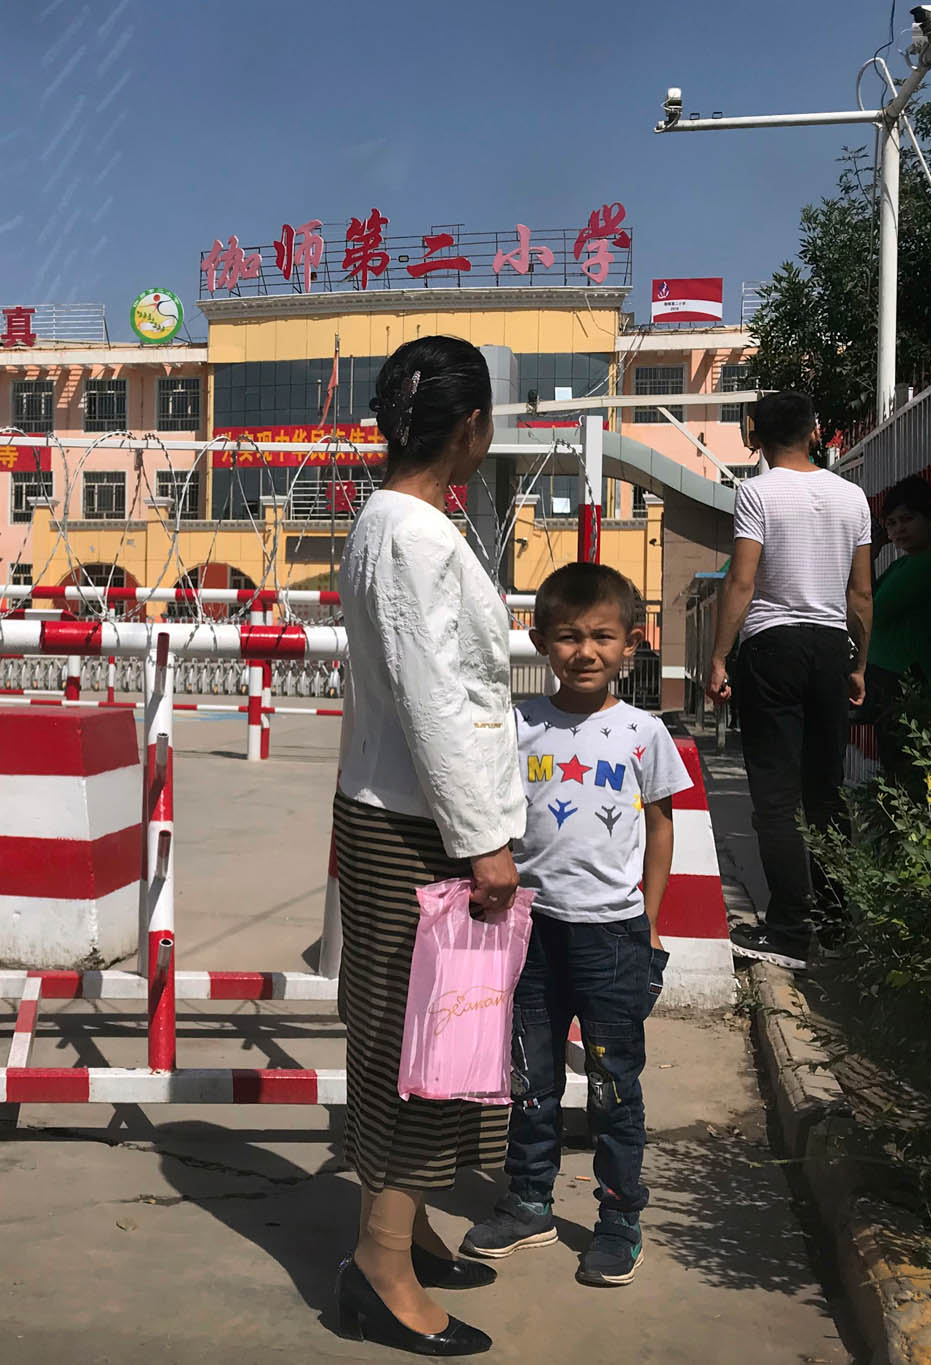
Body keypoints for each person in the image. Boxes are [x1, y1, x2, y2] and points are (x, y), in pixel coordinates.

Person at [331, 334, 520, 1357]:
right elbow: (432, 700)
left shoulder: (397, 523)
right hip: (421, 828)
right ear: (469, 429)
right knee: (421, 1048)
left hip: (412, 817)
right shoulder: (410, 535)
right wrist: (482, 841)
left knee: (437, 1041)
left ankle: (410, 1229)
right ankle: (379, 1263)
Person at [459, 563, 690, 1289]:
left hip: (614, 937)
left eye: (601, 636)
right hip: (531, 933)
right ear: (540, 642)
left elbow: (660, 829)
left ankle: (619, 1216)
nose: (584, 651)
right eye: (567, 636)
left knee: (614, 1084)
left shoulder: (644, 732)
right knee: (530, 1079)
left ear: (632, 643)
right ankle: (529, 1201)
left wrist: (649, 925)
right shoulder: (520, 724)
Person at [706, 391, 872, 969]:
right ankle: (835, 921)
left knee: (776, 798)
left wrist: (720, 656)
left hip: (772, 647)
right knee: (824, 790)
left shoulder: (756, 492)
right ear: (816, 430)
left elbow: (743, 582)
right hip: (831, 647)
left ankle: (788, 931)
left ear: (755, 434)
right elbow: (860, 593)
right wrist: (858, 663)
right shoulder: (852, 497)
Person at [864, 475, 931, 799]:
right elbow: (870, 599)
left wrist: (869, 554)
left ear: (929, 518)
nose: (899, 529)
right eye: (891, 523)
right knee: (896, 770)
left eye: (907, 519)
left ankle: (913, 842)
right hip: (892, 679)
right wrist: (874, 552)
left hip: (909, 678)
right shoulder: (906, 564)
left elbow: (871, 609)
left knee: (906, 774)